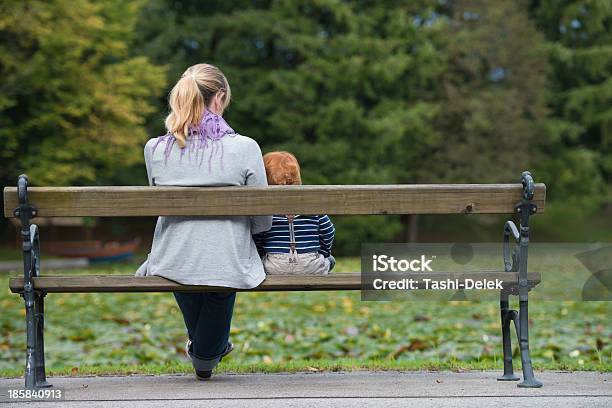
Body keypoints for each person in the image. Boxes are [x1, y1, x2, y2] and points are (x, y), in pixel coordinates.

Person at [135, 63, 272, 380]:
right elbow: (263, 218)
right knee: (208, 349)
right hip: (227, 258)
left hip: (172, 257)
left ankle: (209, 350)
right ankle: (208, 353)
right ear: (220, 97)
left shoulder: (155, 149)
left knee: (188, 260)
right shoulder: (245, 147)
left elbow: (161, 203)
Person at [254, 151, 336, 274]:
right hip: (311, 265)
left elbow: (258, 236)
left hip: (274, 266)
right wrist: (323, 253)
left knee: (259, 263)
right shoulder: (311, 206)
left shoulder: (267, 210)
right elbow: (328, 230)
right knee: (331, 260)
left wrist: (262, 254)